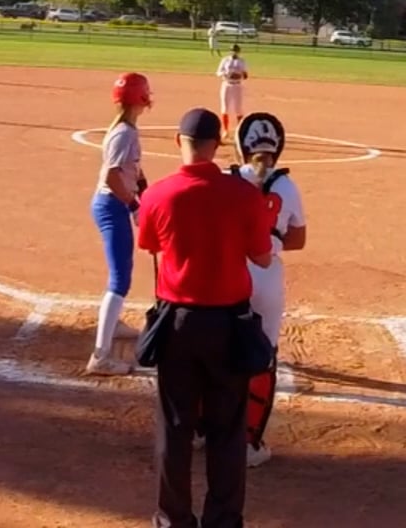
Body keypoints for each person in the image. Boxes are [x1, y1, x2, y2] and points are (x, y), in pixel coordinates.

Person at [136, 108, 272, 528]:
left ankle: (172, 519)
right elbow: (262, 257)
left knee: (175, 428)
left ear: (179, 142)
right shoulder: (244, 195)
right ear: (219, 143)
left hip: (177, 323)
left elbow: (151, 245)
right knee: (227, 431)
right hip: (229, 325)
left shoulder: (158, 194)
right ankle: (223, 521)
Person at [230, 112, 306, 469]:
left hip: (228, 271)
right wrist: (270, 240)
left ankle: (201, 430)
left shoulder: (227, 179)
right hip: (267, 275)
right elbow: (298, 240)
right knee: (262, 355)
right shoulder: (287, 186)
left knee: (215, 348)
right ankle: (248, 443)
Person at [88, 72, 152, 375]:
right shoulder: (124, 133)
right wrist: (134, 205)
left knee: (122, 270)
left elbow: (131, 170)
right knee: (120, 278)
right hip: (112, 206)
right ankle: (100, 357)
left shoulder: (126, 130)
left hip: (115, 204)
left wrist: (144, 191)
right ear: (142, 98)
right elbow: (112, 176)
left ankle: (113, 325)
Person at [216, 44, 249, 135]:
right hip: (227, 84)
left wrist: (240, 74)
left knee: (238, 108)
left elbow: (246, 75)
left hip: (238, 85)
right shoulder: (225, 60)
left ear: (239, 52)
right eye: (233, 51)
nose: (234, 53)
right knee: (225, 108)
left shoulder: (242, 61)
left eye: (236, 51)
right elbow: (218, 72)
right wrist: (226, 74)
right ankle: (226, 130)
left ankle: (240, 130)